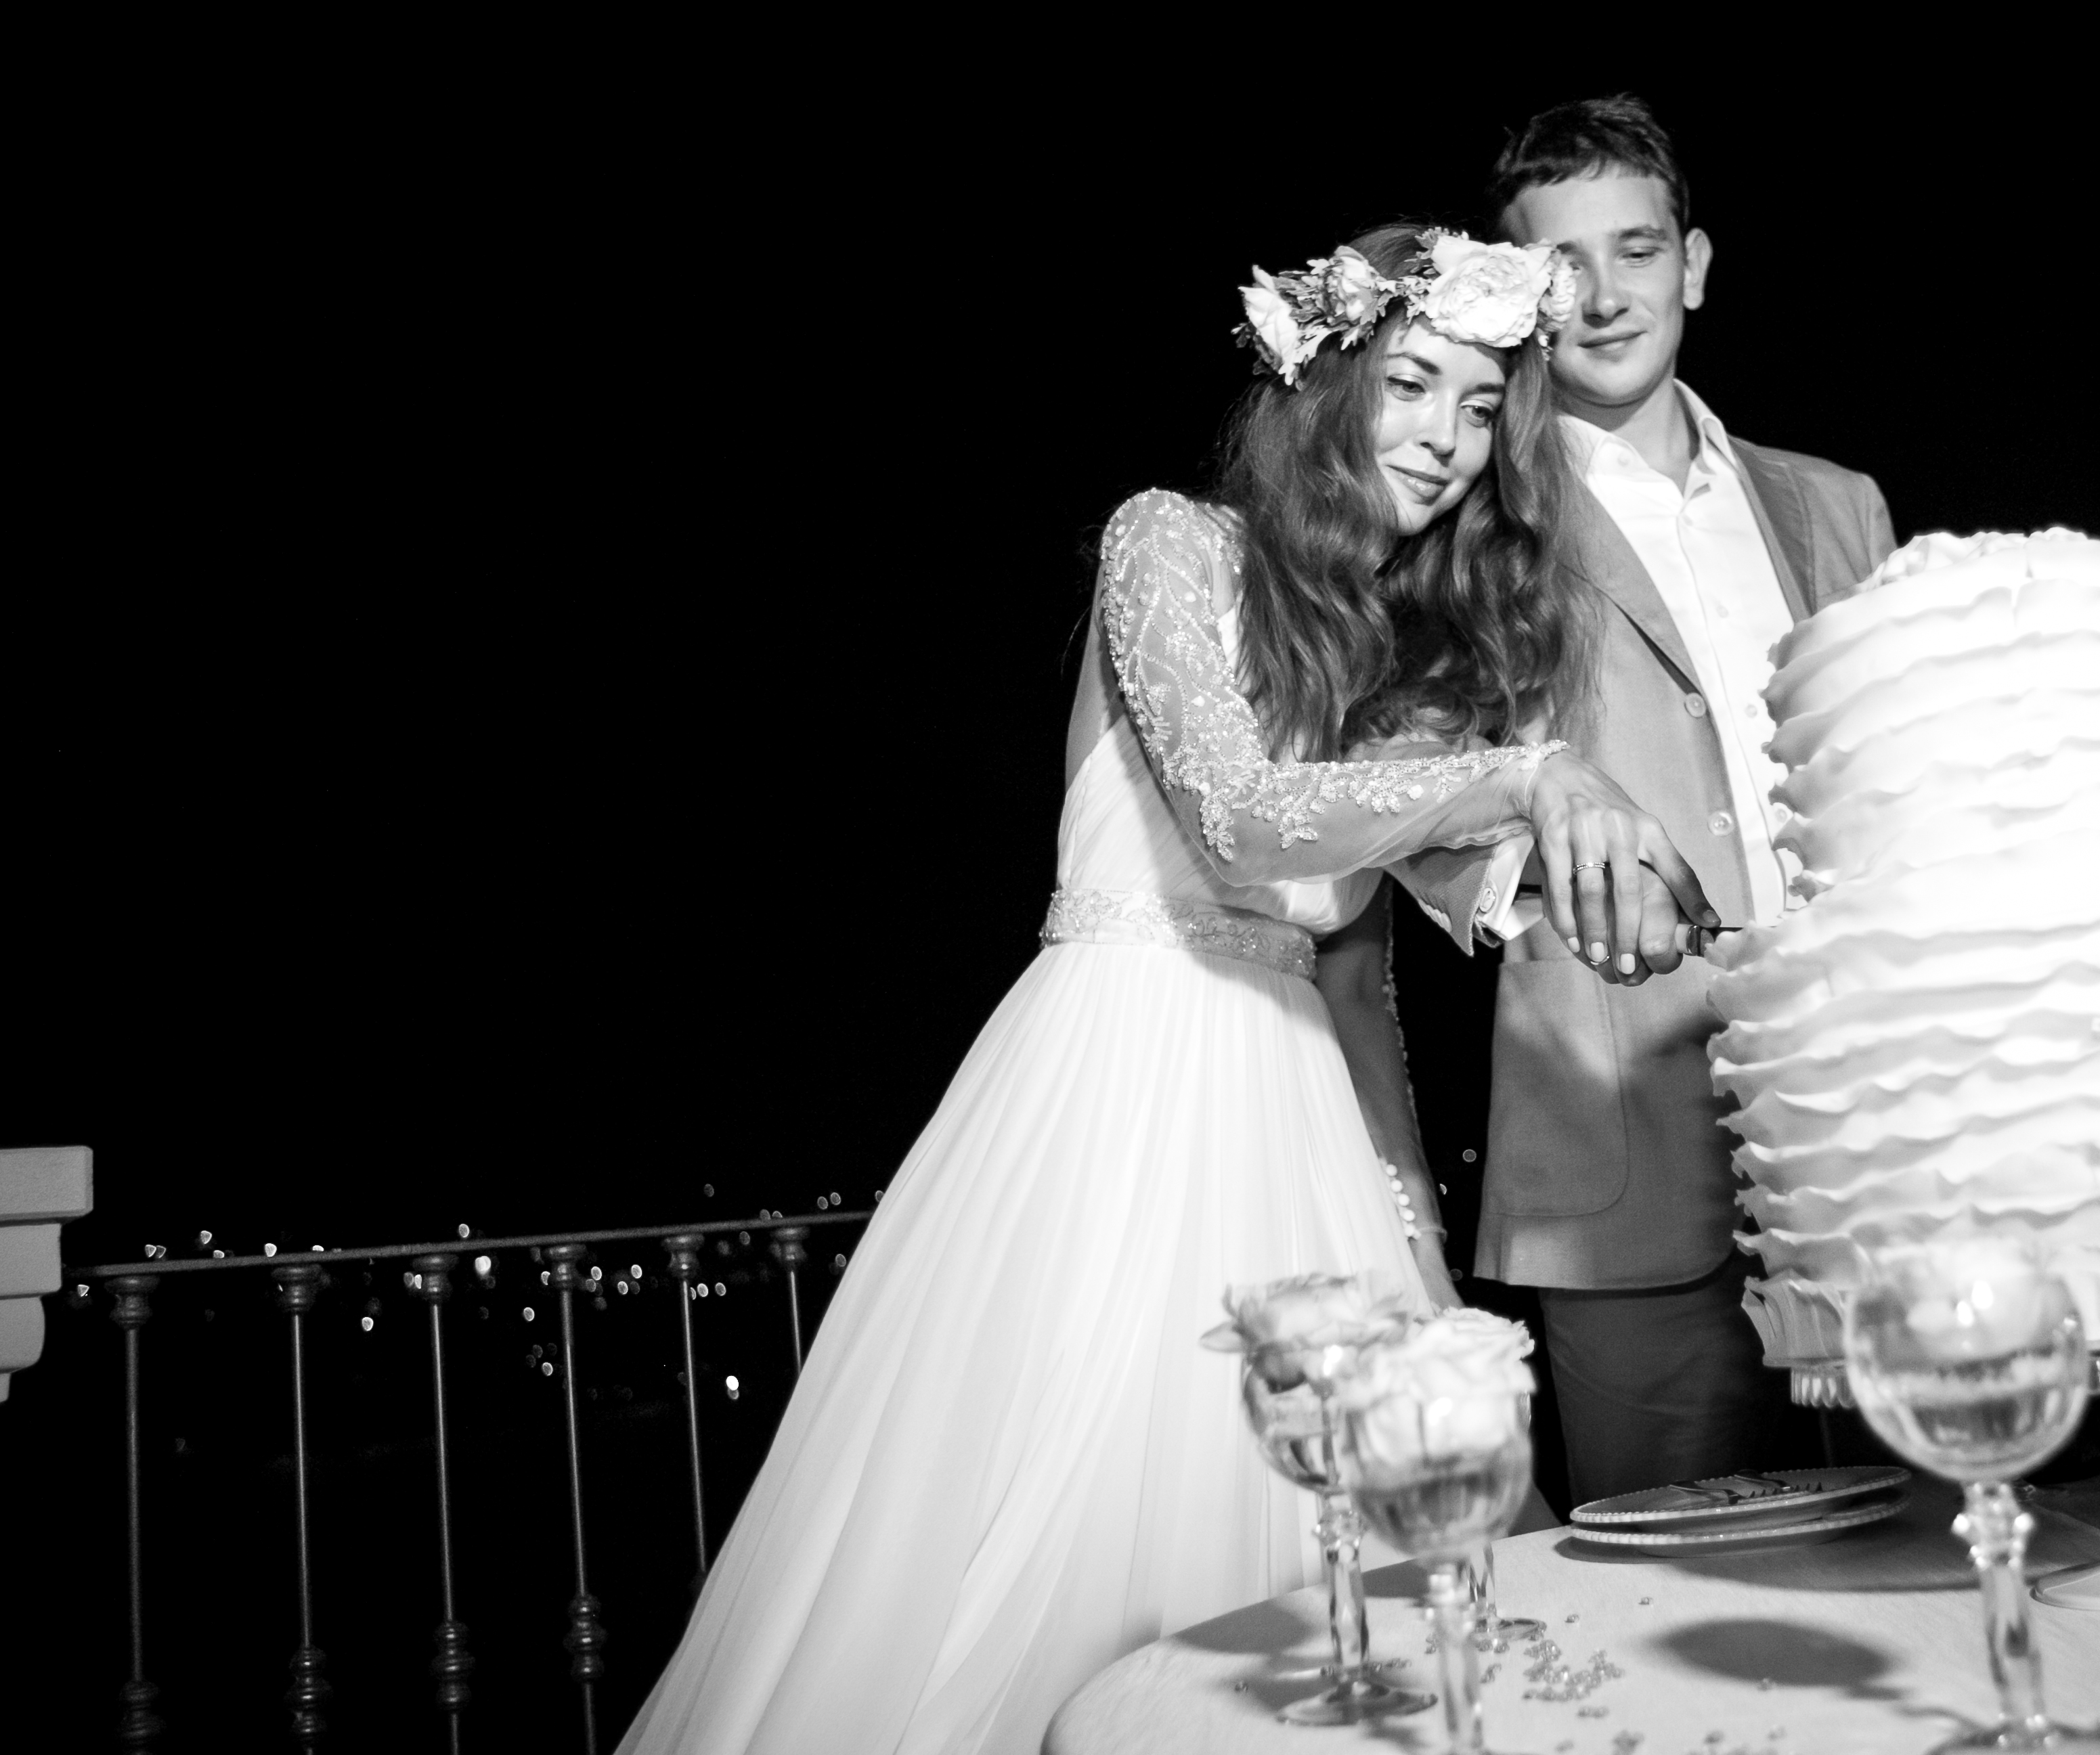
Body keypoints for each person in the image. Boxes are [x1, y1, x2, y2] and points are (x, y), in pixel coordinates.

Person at [617, 223, 1711, 1755]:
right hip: (1112, 1110)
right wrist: (1532, 773)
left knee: (1355, 1582)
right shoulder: (1171, 542)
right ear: (1322, 388)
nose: (1448, 444)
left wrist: (1416, 1263)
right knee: (1049, 1555)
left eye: (1480, 413)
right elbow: (1242, 816)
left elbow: (1347, 984)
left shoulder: (1388, 652)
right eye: (1412, 386)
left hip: (1298, 1137)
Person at [1391, 97, 1898, 1507]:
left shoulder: (1839, 505)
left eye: (1639, 249)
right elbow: (1401, 779)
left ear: (1697, 263)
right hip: (1617, 1108)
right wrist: (1531, 871)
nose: (1608, 297)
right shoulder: (1469, 510)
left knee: (1952, 1531)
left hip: (1877, 1114)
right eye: (1565, 268)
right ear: (1519, 293)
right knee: (1668, 1583)